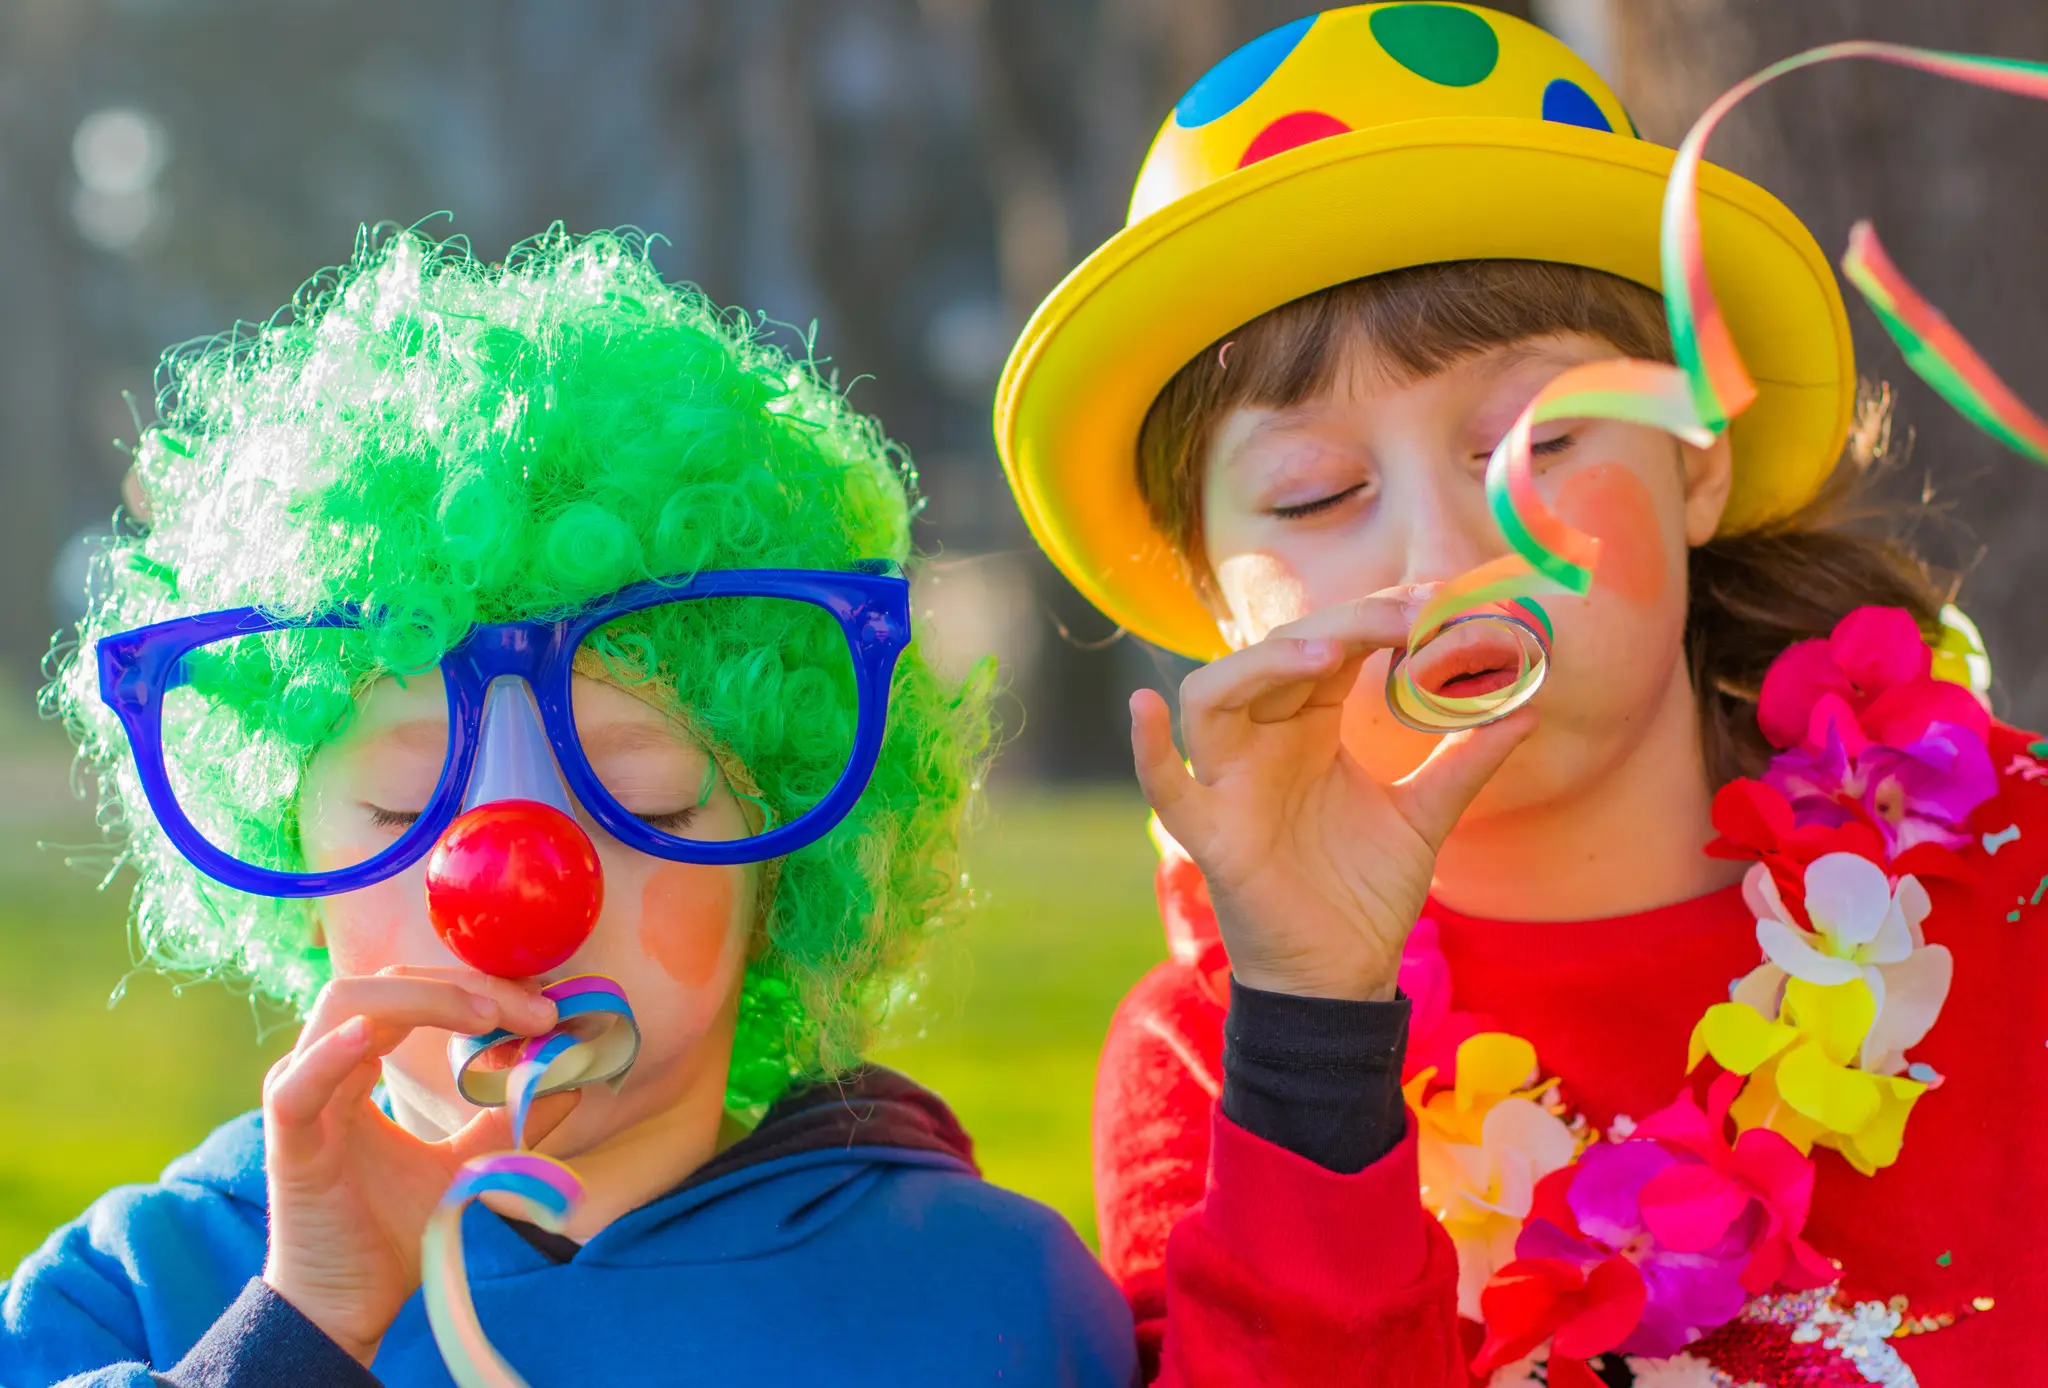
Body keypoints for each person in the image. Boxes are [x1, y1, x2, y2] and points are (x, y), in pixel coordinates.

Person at [994, 5, 2045, 1384]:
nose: (1447, 554)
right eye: (1322, 493)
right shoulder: (1217, 1060)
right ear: (1209, 594)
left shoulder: (2014, 879)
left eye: (1539, 439)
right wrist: (1314, 1027)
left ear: (1697, 462)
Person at [3, 227, 1137, 1387]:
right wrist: (296, 1333)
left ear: (784, 872)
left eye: (643, 793)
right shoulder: (135, 1296)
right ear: (282, 849)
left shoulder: (981, 1304)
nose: (513, 895)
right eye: (401, 810)